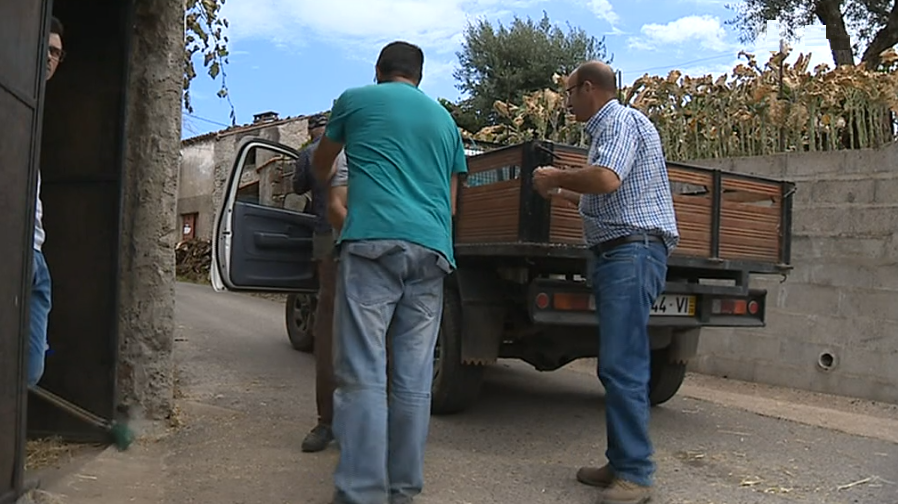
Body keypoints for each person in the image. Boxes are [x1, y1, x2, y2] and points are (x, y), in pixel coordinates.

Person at [311, 41, 466, 504]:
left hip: (373, 243)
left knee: (363, 372)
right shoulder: (446, 121)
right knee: (414, 381)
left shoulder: (356, 99)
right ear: (419, 75)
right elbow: (452, 203)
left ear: (379, 70)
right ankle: (402, 491)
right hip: (431, 250)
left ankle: (360, 493)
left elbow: (322, 162)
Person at [531, 61, 679, 504]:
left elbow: (607, 180)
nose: (568, 101)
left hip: (630, 255)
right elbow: (609, 193)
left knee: (622, 364)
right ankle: (621, 461)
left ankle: (634, 475)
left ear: (589, 88)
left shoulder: (619, 121)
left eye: (570, 91)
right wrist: (563, 191)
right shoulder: (613, 130)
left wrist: (556, 176)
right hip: (623, 254)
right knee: (616, 362)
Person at [290, 113, 347, 453]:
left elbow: (298, 187)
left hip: (327, 234)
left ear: (313, 131)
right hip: (365, 235)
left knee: (327, 318)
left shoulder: (311, 153)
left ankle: (326, 422)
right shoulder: (358, 149)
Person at [28, 16, 66, 387]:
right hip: (15, 250)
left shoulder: (35, 108)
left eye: (56, 52)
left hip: (36, 254)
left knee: (30, 369)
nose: (50, 59)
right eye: (46, 49)